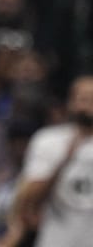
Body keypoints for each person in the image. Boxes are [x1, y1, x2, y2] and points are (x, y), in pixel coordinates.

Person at [12, 73, 93, 247]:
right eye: (83, 99)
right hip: (57, 239)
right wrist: (65, 160)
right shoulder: (49, 140)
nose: (88, 106)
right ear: (71, 103)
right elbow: (27, 198)